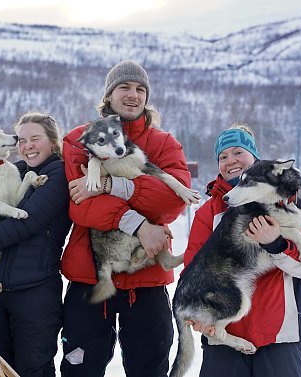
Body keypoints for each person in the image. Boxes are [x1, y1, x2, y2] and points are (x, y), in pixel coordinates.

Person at [61, 60, 193, 377]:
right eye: (124, 87)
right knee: (81, 369)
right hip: (90, 278)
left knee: (150, 368)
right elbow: (80, 205)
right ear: (109, 95)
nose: (132, 95)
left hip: (146, 280)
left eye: (140, 89)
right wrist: (140, 222)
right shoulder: (80, 138)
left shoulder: (164, 144)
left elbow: (173, 199)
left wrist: (111, 186)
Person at [183, 124, 301, 377]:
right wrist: (196, 309)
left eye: (238, 152)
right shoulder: (209, 213)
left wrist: (276, 244)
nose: (230, 161)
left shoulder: (291, 202)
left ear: (255, 158)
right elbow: (193, 267)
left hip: (279, 335)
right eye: (223, 157)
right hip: (222, 336)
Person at [0, 112, 72, 377]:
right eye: (23, 140)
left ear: (52, 143)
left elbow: (25, 224)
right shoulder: (16, 171)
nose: (27, 145)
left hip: (34, 293)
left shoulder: (57, 176)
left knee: (33, 369)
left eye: (35, 139)